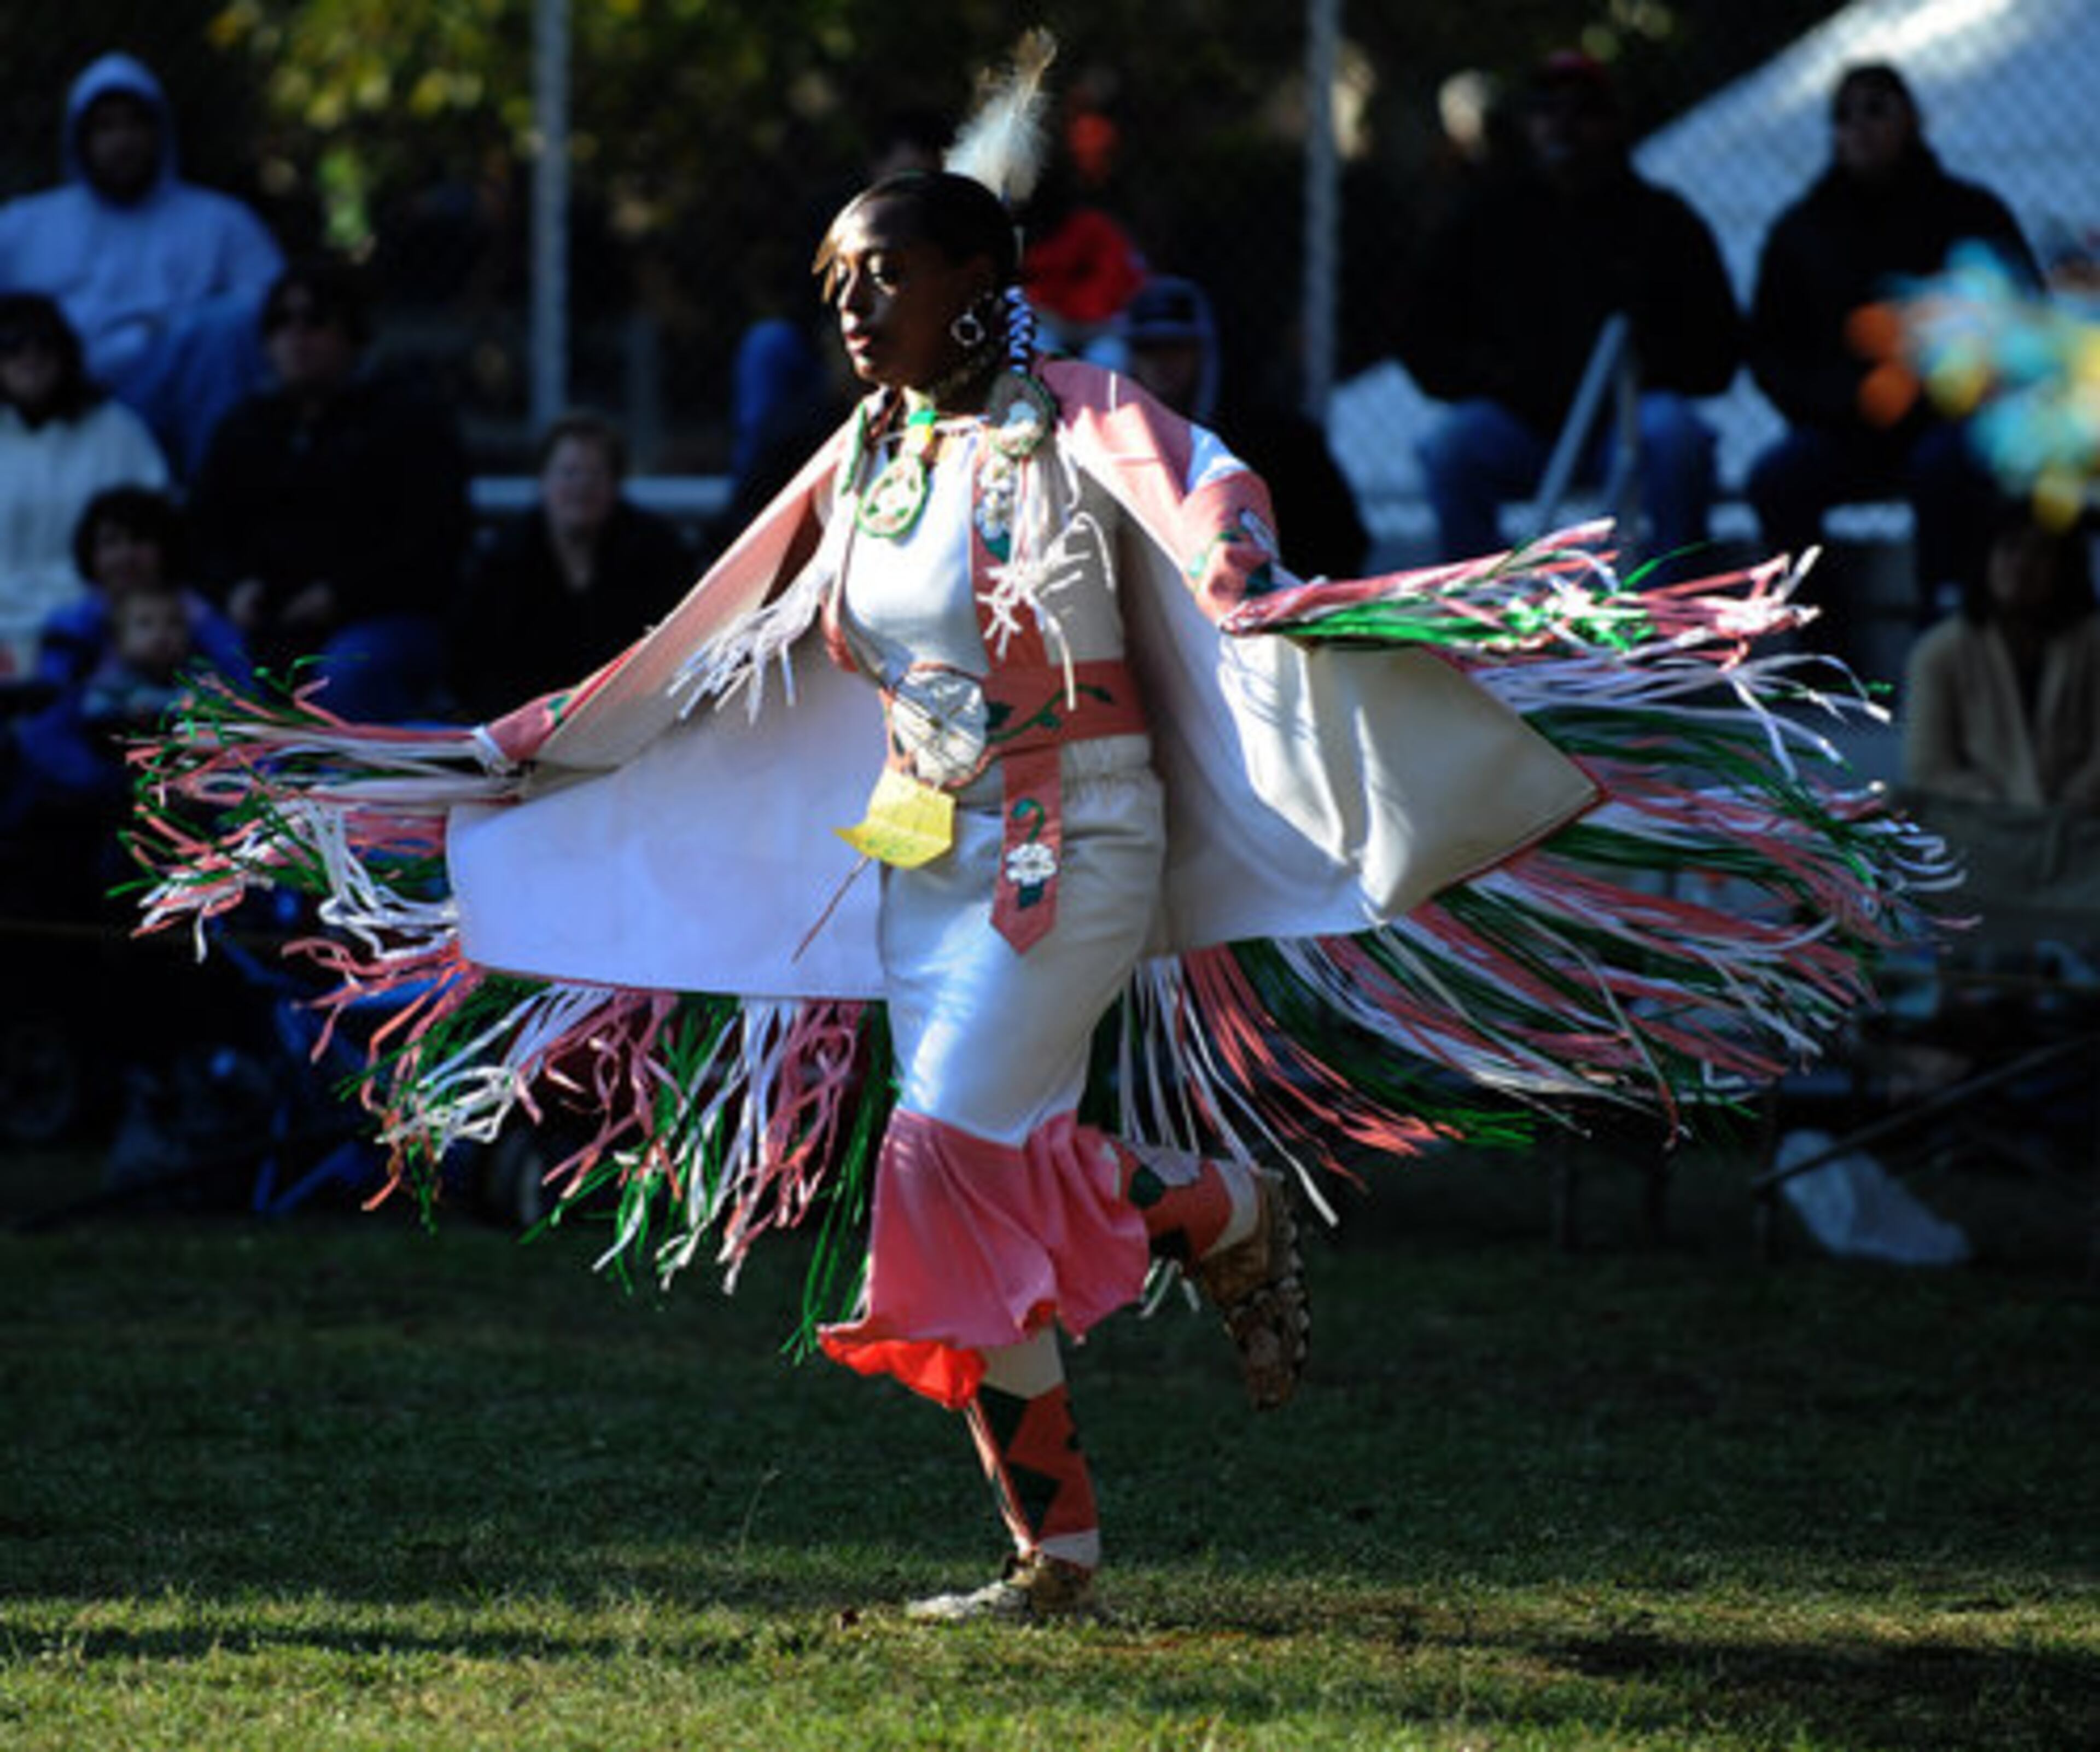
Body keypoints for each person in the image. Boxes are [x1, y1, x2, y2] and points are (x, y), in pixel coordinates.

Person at [129, 36, 1939, 1627]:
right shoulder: (869, 458)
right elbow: (704, 636)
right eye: (835, 280)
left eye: (883, 275)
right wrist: (509, 748)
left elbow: (1202, 478)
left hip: (1073, 836)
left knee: (939, 1165)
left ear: (978, 285)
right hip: (927, 853)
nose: (849, 307)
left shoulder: (1067, 413)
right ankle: (1056, 1552)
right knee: (978, 1192)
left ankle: (1216, 1211)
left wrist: (1240, 570)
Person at [1395, 50, 1740, 574]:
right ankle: (1478, 627)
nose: (1564, 126)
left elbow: (1718, 347)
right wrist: (1489, 375)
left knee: (1678, 438)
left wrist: (1649, 369)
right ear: (1527, 124)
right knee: (1452, 449)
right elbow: (1420, 327)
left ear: (1612, 123)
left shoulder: (1660, 221)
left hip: (1626, 419)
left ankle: (1675, 620)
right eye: (1546, 110)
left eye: (1583, 111)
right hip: (1522, 423)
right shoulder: (1490, 220)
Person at [1746, 62, 2042, 663]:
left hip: (1947, 418)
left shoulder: (1969, 212)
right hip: (1846, 423)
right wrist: (1834, 398)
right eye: (1844, 115)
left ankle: (1948, 637)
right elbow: (1771, 347)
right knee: (1777, 477)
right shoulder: (1802, 229)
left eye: (1876, 109)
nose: (1860, 126)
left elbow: (2022, 316)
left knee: (1947, 467)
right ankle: (1822, 650)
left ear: (1911, 119)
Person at [188, 255, 471, 720]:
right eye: (281, 321)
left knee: (339, 681)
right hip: (263, 625)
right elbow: (204, 534)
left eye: (316, 320)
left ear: (352, 334)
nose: (296, 336)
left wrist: (341, 596)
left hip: (379, 621)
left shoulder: (408, 422)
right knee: (208, 679)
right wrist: (233, 587)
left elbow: (435, 543)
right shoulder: (243, 428)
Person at [0, 54, 283, 430]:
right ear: (80, 139)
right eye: (105, 127)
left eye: (135, 124)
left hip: (179, 394)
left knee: (225, 325)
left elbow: (276, 309)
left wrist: (177, 333)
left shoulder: (222, 221)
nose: (122, 141)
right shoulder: (24, 225)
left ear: (160, 132)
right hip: (59, 401)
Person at [1119, 274, 1369, 580]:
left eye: (1177, 347)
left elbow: (1342, 543)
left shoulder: (1278, 445)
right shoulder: (1112, 448)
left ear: (1207, 353)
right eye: (1148, 349)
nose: (1162, 363)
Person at [451, 412, 696, 719]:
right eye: (569, 473)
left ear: (615, 483)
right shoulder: (504, 560)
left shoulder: (656, 553)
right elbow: (476, 661)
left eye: (595, 474)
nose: (582, 487)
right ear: (543, 480)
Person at [0, 294, 170, 679]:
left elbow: (155, 536)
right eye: (12, 346)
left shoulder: (117, 430)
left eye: (44, 344)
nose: (30, 357)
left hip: (100, 629)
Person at [1903, 504, 2100, 813]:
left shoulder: (2092, 644)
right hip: (1981, 833)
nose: (2022, 565)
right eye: (2010, 548)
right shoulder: (1939, 652)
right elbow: (1930, 769)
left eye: (2040, 552)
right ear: (1986, 557)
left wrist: (2070, 805)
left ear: (2065, 565)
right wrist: (2004, 809)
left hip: (2082, 830)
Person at [34, 485, 247, 693]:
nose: (126, 555)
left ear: (166, 547)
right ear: (91, 553)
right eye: (111, 541)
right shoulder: (70, 628)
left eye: (139, 540)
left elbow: (247, 693)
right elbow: (49, 709)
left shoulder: (203, 620)